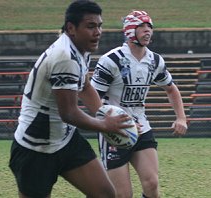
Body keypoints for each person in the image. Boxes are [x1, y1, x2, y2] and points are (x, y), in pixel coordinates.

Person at [9, 1, 134, 197]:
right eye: (91, 26)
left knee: (106, 194)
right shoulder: (64, 57)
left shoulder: (81, 49)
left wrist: (110, 116)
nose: (98, 32)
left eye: (100, 25)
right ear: (71, 28)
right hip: (35, 148)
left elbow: (84, 86)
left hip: (65, 140)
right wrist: (105, 126)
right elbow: (69, 113)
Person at [91, 10, 188, 198]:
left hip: (142, 127)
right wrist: (113, 121)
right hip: (114, 132)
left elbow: (171, 88)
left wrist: (181, 118)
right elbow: (93, 96)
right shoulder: (111, 60)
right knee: (123, 195)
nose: (148, 31)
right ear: (129, 31)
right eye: (142, 26)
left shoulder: (155, 60)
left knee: (152, 184)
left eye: (150, 26)